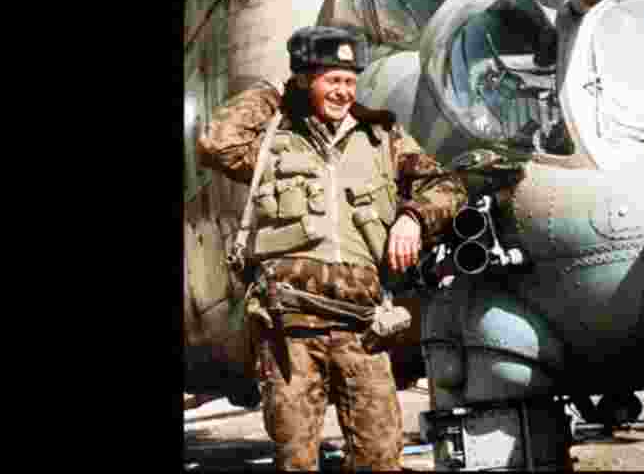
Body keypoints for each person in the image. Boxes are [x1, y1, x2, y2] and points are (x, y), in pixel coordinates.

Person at [197, 26, 467, 471]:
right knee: (296, 460)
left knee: (380, 457)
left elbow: (447, 186)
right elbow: (215, 143)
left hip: (362, 328)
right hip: (289, 328)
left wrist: (412, 217)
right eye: (332, 80)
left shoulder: (382, 138)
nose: (344, 92)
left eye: (349, 81)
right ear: (305, 79)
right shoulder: (271, 141)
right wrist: (270, 93)